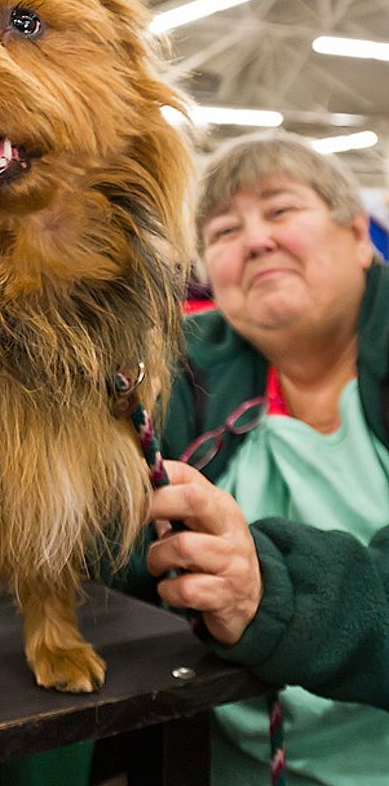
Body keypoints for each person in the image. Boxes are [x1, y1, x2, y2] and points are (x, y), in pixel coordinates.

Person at [134, 131, 389, 784]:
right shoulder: (174, 369)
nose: (255, 241)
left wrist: (267, 591)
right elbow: (105, 538)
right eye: (223, 232)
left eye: (281, 210)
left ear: (359, 234)